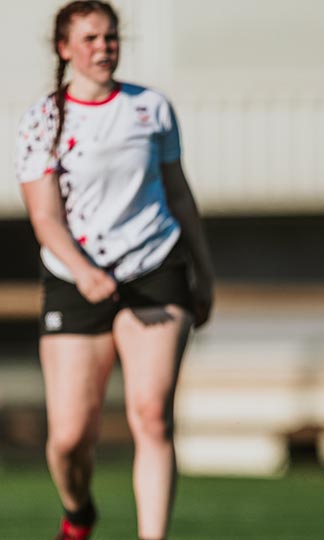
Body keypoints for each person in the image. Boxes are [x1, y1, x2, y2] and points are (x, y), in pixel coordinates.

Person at [14, 2, 214, 539]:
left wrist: (204, 273)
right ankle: (78, 513)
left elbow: (179, 195)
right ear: (64, 48)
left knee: (151, 415)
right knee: (68, 439)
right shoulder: (42, 120)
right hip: (75, 281)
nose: (103, 47)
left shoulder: (150, 107)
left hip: (155, 268)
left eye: (110, 37)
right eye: (90, 38)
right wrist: (83, 272)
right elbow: (44, 217)